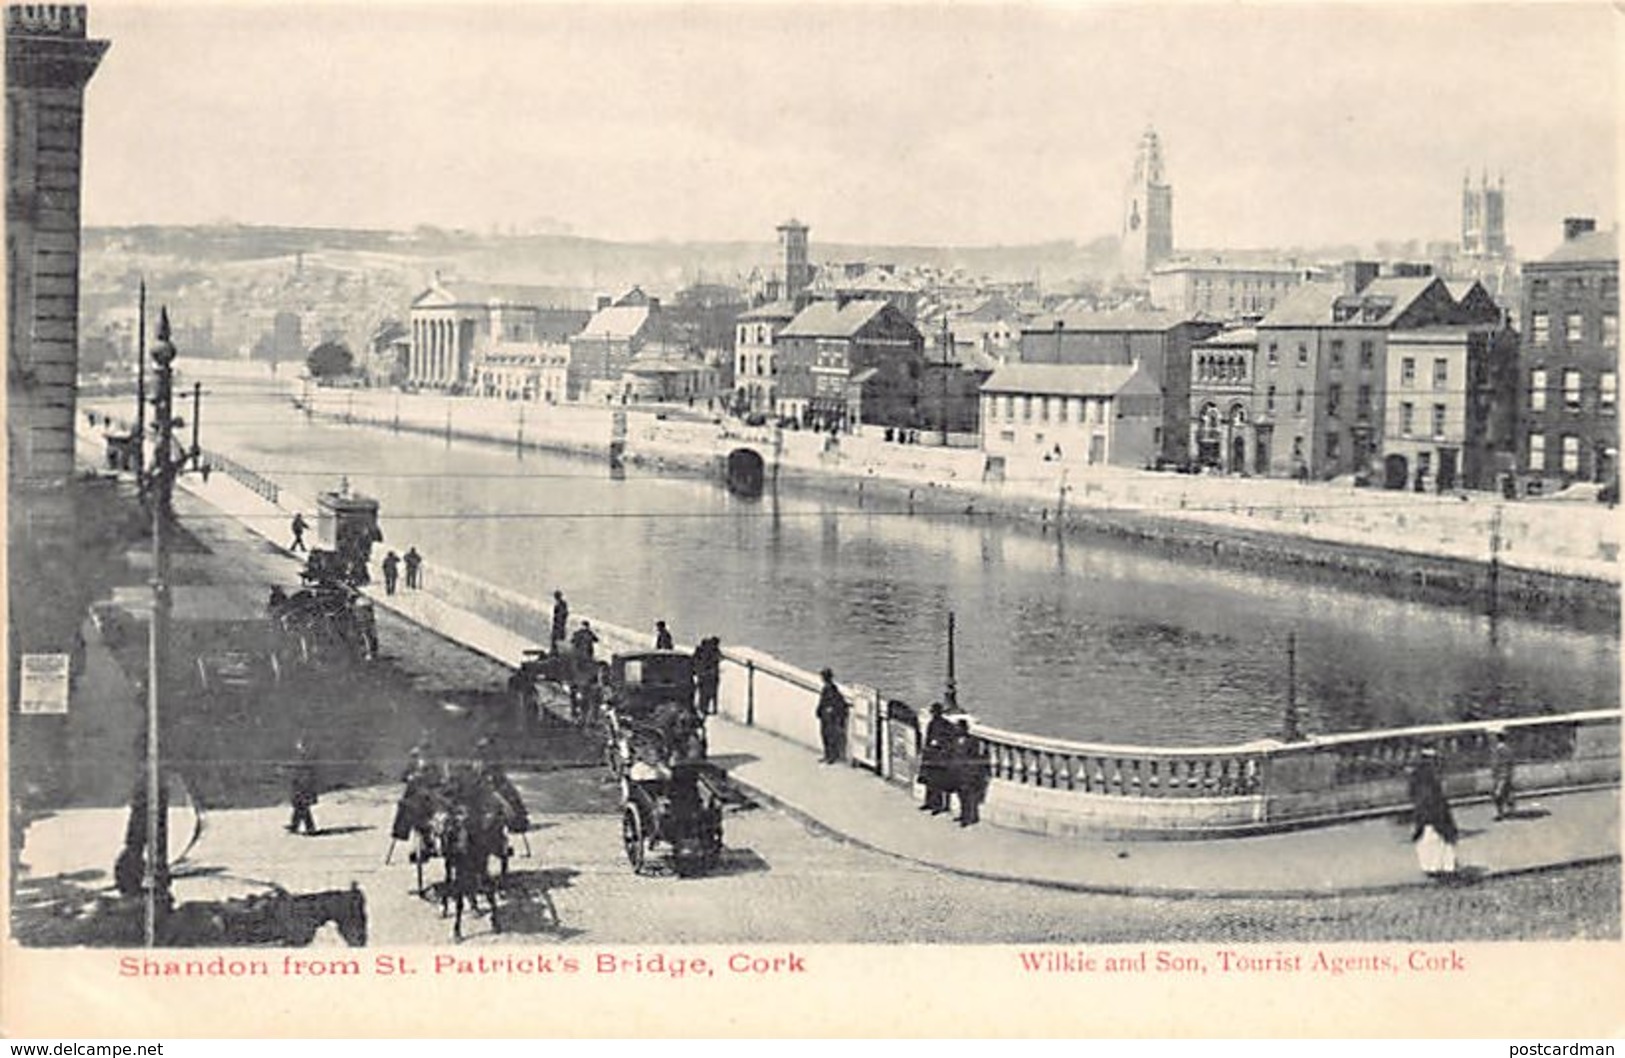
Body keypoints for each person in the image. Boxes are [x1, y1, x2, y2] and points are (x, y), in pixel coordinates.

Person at [1408, 747, 1459, 877]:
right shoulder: (1431, 776)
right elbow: (1434, 796)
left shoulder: (1417, 775)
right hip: (1434, 811)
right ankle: (1444, 867)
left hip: (1425, 812)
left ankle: (1432, 867)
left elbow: (1413, 794)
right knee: (1439, 840)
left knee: (1428, 841)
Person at [947, 719, 988, 826]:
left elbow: (974, 757)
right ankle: (963, 814)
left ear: (964, 728)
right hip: (957, 771)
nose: (956, 729)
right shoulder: (954, 740)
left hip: (967, 772)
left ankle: (969, 817)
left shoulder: (972, 741)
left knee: (968, 796)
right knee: (960, 795)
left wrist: (972, 772)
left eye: (958, 727)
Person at [919, 702, 955, 814]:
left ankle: (938, 805)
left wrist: (940, 743)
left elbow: (950, 740)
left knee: (937, 782)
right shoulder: (931, 723)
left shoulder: (946, 724)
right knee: (929, 780)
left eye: (934, 712)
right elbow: (927, 739)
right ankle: (929, 802)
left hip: (939, 756)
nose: (933, 714)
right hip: (931, 755)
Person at [814, 668, 850, 765]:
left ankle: (830, 756)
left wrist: (822, 710)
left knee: (828, 736)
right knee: (827, 736)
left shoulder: (829, 688)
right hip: (826, 715)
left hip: (828, 716)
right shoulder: (830, 688)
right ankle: (828, 755)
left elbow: (828, 701)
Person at [287, 739, 319, 836]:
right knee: (299, 807)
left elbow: (306, 774)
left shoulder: (305, 760)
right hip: (301, 786)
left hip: (304, 787)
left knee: (302, 807)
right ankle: (295, 825)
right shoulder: (301, 758)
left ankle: (309, 828)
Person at [1490, 730, 1516, 821]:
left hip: (1502, 775)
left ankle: (1500, 813)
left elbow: (1500, 763)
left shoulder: (1502, 749)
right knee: (1507, 793)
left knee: (1498, 794)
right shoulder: (1503, 749)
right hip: (1503, 774)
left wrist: (1500, 773)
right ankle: (1510, 811)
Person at [693, 636, 722, 716]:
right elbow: (718, 659)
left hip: (704, 674)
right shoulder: (713, 651)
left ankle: (703, 708)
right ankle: (706, 708)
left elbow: (695, 661)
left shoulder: (701, 650)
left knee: (704, 692)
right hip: (710, 675)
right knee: (709, 692)